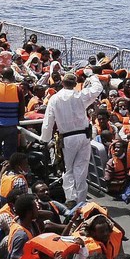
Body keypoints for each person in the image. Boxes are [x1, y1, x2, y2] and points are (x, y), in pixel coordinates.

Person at [41, 71, 105, 207]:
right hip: (83, 136)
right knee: (81, 169)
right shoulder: (80, 96)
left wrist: (45, 139)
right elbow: (98, 88)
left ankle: (71, 197)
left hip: (68, 138)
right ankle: (80, 201)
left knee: (68, 169)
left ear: (62, 83)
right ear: (75, 84)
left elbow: (48, 122)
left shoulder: (54, 99)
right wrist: (91, 75)